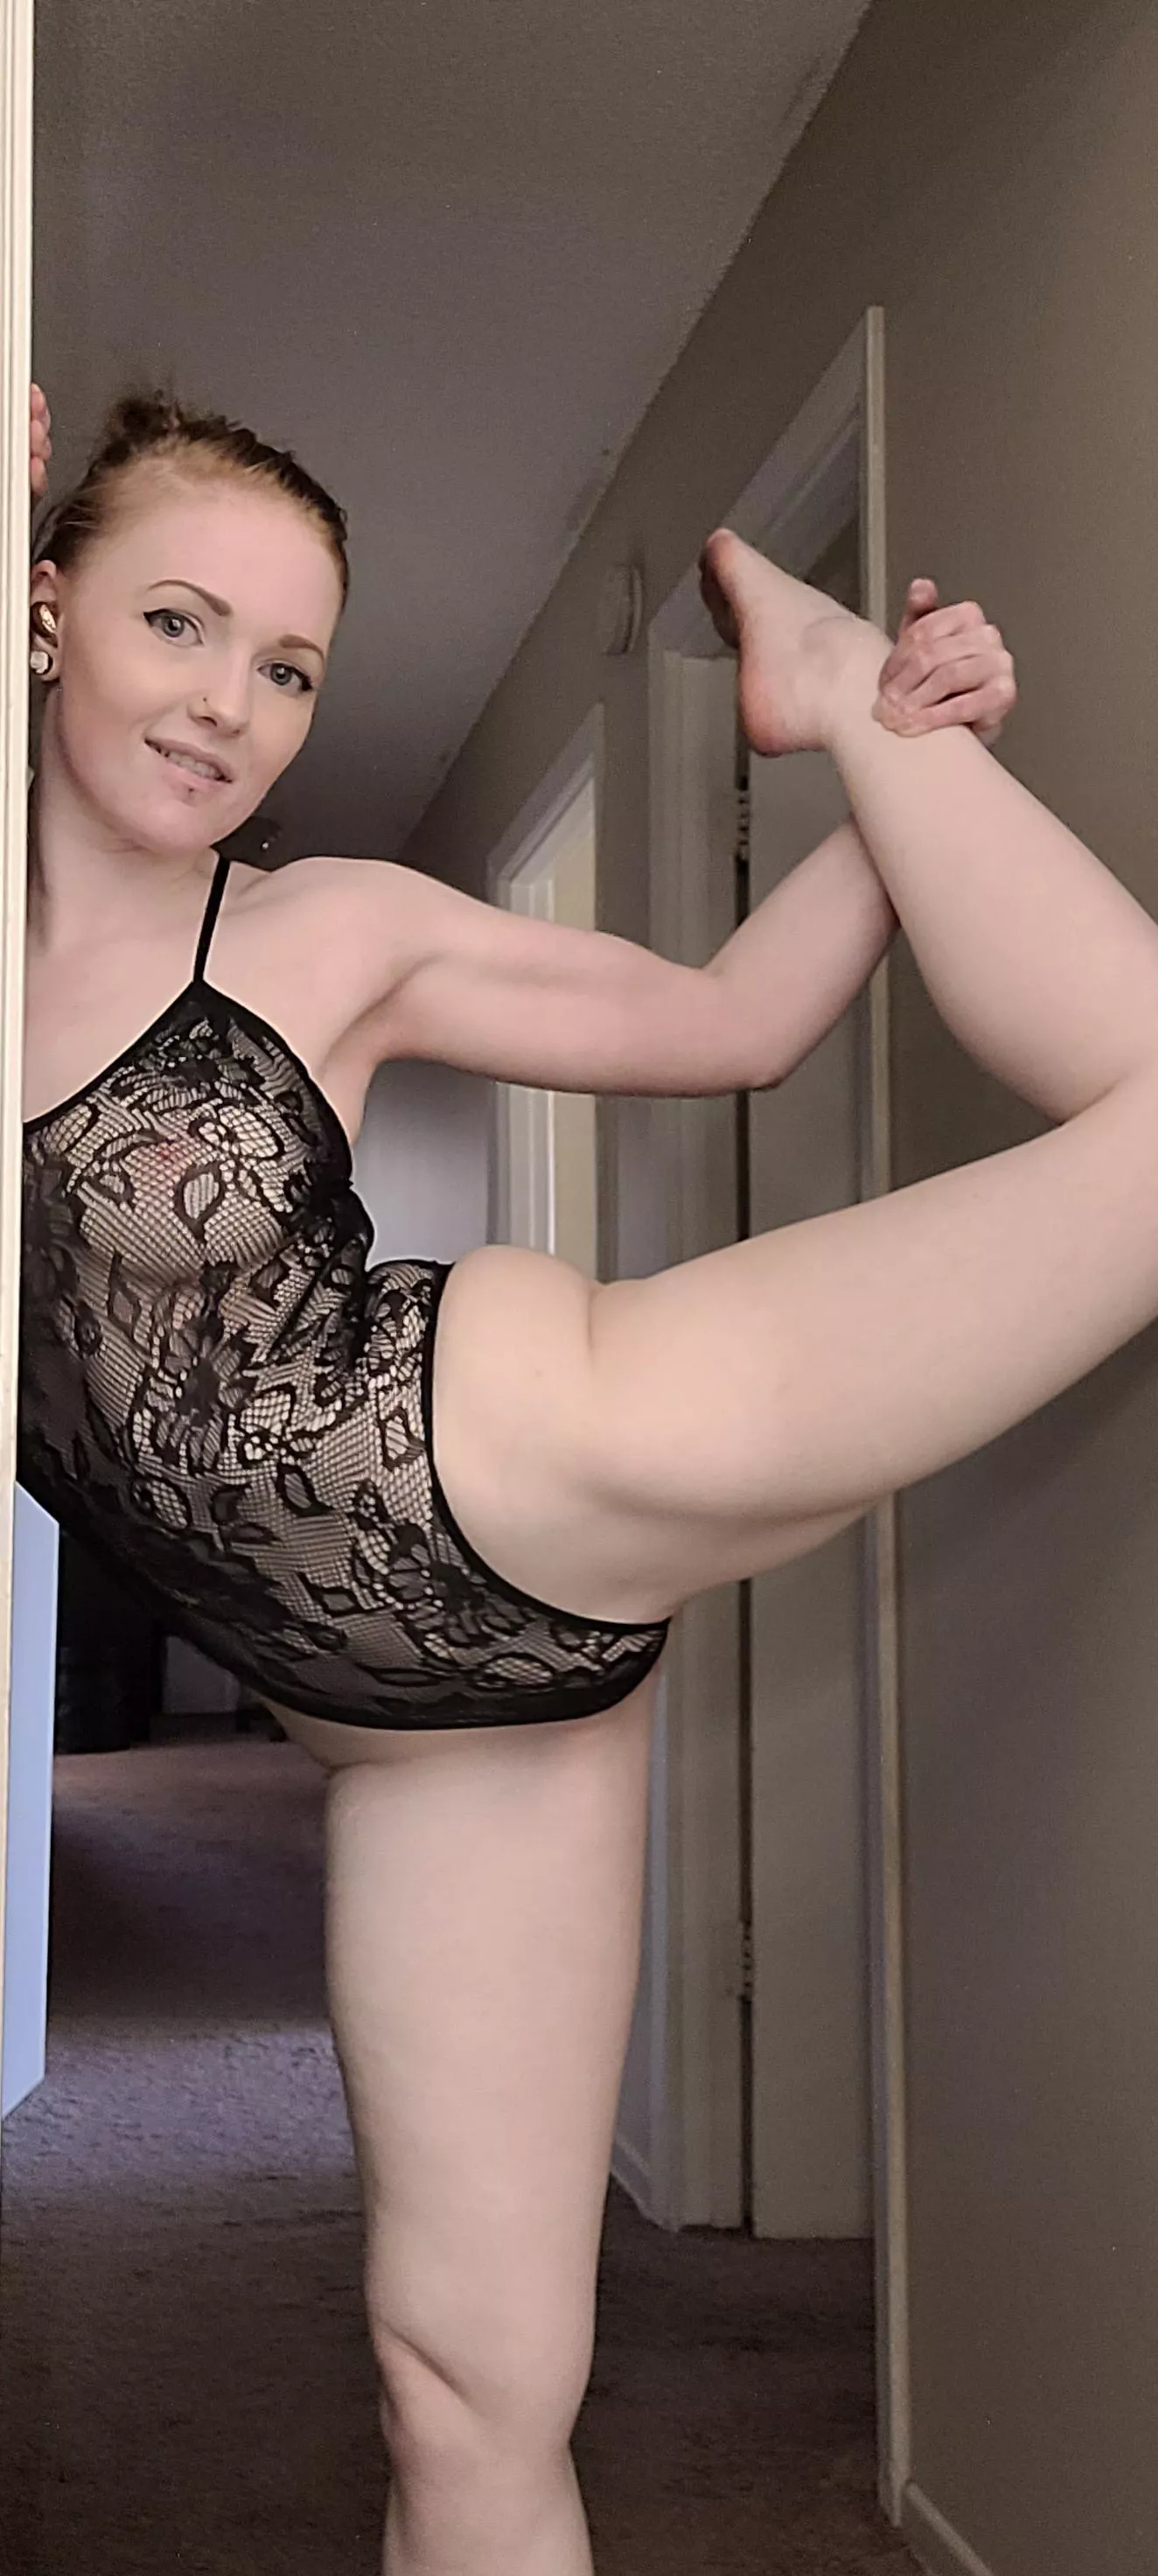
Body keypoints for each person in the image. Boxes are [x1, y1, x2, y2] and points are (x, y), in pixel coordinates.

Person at [20, 375, 1157, 2576]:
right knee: (464, 2384)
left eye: (287, 666)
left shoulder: (328, 927)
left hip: (535, 1444)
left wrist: (887, 759)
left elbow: (729, 1021)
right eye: (178, 623)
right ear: (45, 606)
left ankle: (831, 679)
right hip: (429, 1730)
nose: (231, 704)